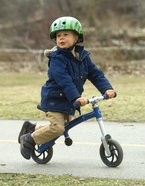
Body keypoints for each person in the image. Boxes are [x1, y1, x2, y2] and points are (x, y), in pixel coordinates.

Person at [18, 16, 116, 160]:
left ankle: (32, 128)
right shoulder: (57, 58)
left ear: (76, 37)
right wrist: (76, 97)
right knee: (58, 128)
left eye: (66, 34)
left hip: (69, 100)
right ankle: (29, 139)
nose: (61, 38)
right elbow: (64, 81)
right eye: (58, 35)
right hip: (54, 99)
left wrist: (107, 89)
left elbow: (95, 73)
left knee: (62, 126)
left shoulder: (82, 56)